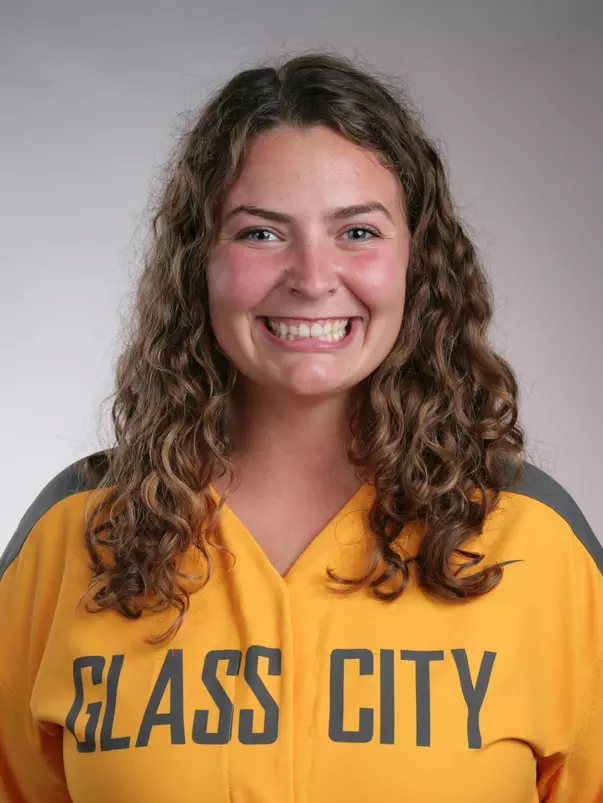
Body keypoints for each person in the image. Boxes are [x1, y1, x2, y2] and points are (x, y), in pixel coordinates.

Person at [0, 50, 601, 803]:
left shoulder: (533, 537)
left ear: (417, 261)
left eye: (358, 232)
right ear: (199, 262)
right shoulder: (78, 530)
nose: (313, 279)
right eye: (261, 234)